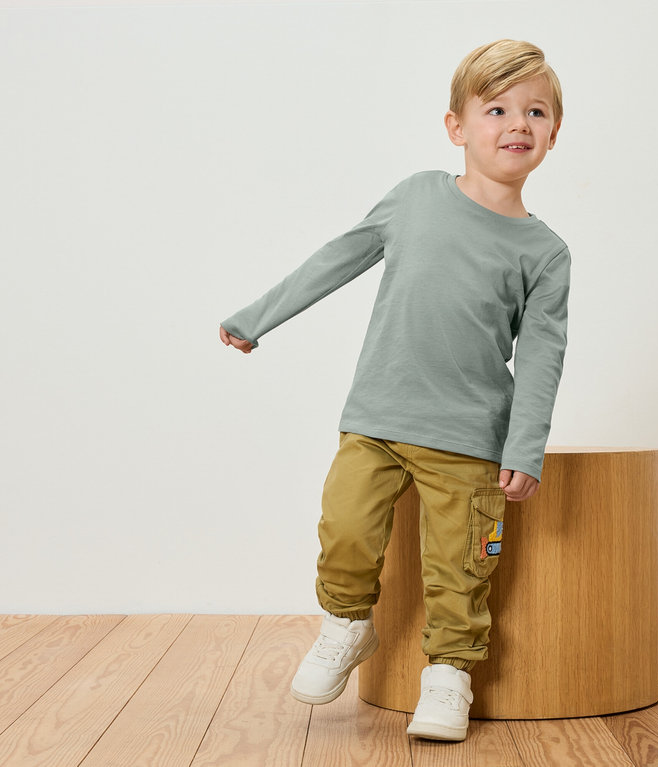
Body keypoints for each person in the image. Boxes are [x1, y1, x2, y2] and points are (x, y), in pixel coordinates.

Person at [219, 39, 570, 742]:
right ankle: (347, 625)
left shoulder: (544, 252)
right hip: (377, 417)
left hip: (469, 435)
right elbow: (338, 256)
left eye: (535, 111)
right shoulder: (415, 197)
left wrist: (525, 446)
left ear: (552, 135)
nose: (517, 123)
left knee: (460, 565)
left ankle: (449, 676)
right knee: (344, 527)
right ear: (456, 127)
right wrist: (256, 318)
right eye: (496, 107)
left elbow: (541, 355)